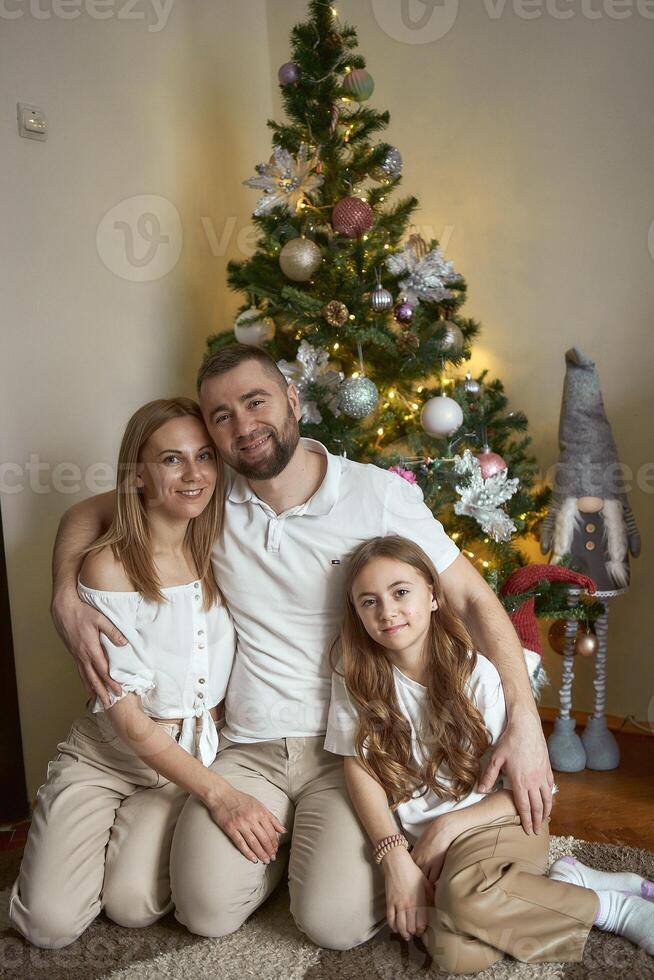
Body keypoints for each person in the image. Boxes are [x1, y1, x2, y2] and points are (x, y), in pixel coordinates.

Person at [50, 345, 554, 949]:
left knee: (334, 926)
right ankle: (275, 856)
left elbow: (472, 601)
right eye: (222, 415)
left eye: (255, 401)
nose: (243, 426)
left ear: (293, 399)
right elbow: (93, 510)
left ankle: (306, 857)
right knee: (204, 911)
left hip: (343, 754)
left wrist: (524, 721)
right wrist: (65, 596)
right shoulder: (209, 499)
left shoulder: (377, 496)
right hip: (246, 746)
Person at [10, 398, 283, 949]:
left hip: (189, 755)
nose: (194, 474)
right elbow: (129, 720)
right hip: (112, 752)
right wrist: (220, 795)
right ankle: (68, 836)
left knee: (133, 906)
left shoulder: (219, 541)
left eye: (205, 456)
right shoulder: (108, 566)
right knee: (49, 925)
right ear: (138, 473)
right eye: (171, 460)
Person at [325, 534, 654, 973]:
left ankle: (616, 909)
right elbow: (359, 765)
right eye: (369, 602)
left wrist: (447, 827)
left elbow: (535, 789)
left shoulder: (478, 674)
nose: (387, 611)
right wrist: (393, 856)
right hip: (424, 843)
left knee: (465, 899)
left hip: (500, 819)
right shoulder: (355, 674)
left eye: (400, 592)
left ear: (434, 596)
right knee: (455, 953)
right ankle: (564, 881)